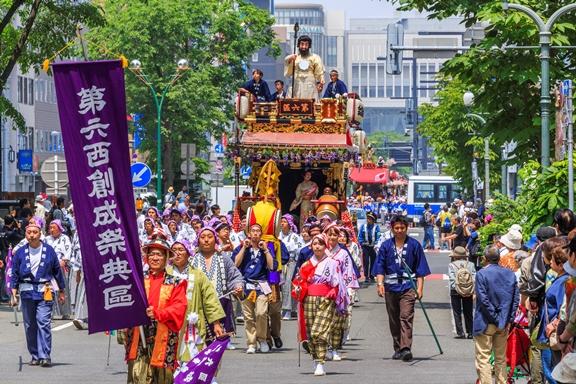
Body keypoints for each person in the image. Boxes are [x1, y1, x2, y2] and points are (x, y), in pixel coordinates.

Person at [124, 235, 187, 384]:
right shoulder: (137, 280)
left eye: (159, 254)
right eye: (151, 253)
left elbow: (179, 308)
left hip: (163, 339)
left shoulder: (176, 283)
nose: (154, 257)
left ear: (166, 258)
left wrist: (158, 313)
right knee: (137, 375)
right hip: (139, 336)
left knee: (162, 379)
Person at [373, 215, 431, 362]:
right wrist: (380, 284)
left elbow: (420, 269)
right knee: (394, 319)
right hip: (390, 287)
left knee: (406, 316)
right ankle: (398, 347)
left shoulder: (414, 245)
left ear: (407, 228)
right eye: (396, 228)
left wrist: (420, 289)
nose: (399, 230)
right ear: (392, 229)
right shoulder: (386, 246)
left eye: (402, 228)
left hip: (408, 287)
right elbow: (379, 267)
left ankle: (406, 348)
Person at [10, 218, 66, 367]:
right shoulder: (21, 252)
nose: (32, 235)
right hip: (27, 291)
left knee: (44, 322)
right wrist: (13, 293)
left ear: (40, 234)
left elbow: (57, 272)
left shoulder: (49, 251)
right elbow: (14, 274)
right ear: (26, 234)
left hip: (45, 290)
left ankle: (45, 355)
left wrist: (61, 291)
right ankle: (35, 354)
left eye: (35, 232)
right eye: (29, 232)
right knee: (30, 325)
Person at [291, 233, 347, 376]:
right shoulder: (305, 265)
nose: (317, 246)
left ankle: (321, 362)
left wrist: (334, 290)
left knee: (319, 331)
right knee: (310, 332)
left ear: (325, 246)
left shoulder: (332, 263)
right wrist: (298, 288)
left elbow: (338, 281)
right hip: (308, 299)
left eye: (320, 244)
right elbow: (297, 282)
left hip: (326, 300)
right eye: (314, 244)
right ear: (311, 246)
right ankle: (317, 361)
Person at [167, 238, 226, 364]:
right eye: (174, 250)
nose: (177, 253)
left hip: (192, 323)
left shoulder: (198, 275)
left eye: (181, 250)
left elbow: (210, 299)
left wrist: (216, 323)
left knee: (192, 357)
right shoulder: (166, 273)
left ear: (188, 253)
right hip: (169, 322)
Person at [190, 227, 244, 350]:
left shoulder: (223, 257)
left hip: (220, 303)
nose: (206, 240)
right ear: (198, 240)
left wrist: (238, 286)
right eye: (203, 237)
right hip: (197, 306)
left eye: (210, 237)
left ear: (215, 239)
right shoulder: (192, 259)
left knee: (216, 351)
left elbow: (234, 275)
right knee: (198, 347)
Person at [473, 246, 519, 384]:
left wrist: (494, 316)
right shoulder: (510, 274)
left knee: (483, 358)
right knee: (500, 358)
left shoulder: (481, 274)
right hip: (503, 322)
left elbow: (483, 299)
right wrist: (508, 319)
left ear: (485, 259)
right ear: (499, 258)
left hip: (485, 321)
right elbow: (515, 299)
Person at [233, 223, 277, 353]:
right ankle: (251, 343)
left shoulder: (266, 248)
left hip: (261, 285)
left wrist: (266, 250)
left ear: (261, 234)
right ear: (249, 233)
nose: (256, 233)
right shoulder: (243, 247)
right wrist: (243, 248)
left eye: (258, 231)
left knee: (261, 313)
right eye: (253, 231)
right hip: (246, 285)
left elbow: (272, 266)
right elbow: (236, 263)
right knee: (248, 316)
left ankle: (262, 339)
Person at [44, 219, 72, 320]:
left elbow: (69, 250)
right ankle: (50, 312)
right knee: (49, 289)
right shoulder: (46, 239)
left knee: (62, 288)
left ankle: (65, 312)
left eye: (53, 228)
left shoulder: (65, 238)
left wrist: (64, 260)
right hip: (48, 267)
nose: (51, 230)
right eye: (50, 228)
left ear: (59, 229)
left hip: (60, 266)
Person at [278, 214, 304, 320]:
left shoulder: (295, 237)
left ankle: (287, 310)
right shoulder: (277, 235)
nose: (282, 223)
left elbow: (299, 250)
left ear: (289, 224)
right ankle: (279, 309)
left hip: (291, 263)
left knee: (288, 284)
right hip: (279, 263)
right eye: (281, 221)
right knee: (278, 286)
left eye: (284, 222)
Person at [284, 35, 325, 100]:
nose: (304, 47)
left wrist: (321, 81)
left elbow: (319, 72)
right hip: (296, 84)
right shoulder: (294, 57)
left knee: (310, 105)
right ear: (298, 45)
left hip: (310, 85)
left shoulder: (315, 57)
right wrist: (289, 60)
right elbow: (289, 73)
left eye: (306, 45)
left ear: (309, 46)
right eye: (302, 44)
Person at [448, 246, 476, 339]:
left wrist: (455, 287)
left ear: (454, 256)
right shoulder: (471, 264)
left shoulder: (452, 265)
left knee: (457, 311)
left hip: (455, 290)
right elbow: (474, 278)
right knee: (468, 311)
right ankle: (470, 331)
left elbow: (452, 279)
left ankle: (460, 332)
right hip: (468, 290)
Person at [358, 212, 380, 282]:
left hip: (373, 247)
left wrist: (376, 244)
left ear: (373, 220)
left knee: (373, 261)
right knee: (366, 261)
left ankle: (372, 275)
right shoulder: (363, 226)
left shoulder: (376, 227)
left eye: (370, 219)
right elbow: (360, 236)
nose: (368, 220)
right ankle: (366, 276)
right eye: (367, 218)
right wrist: (361, 243)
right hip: (365, 246)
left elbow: (378, 236)